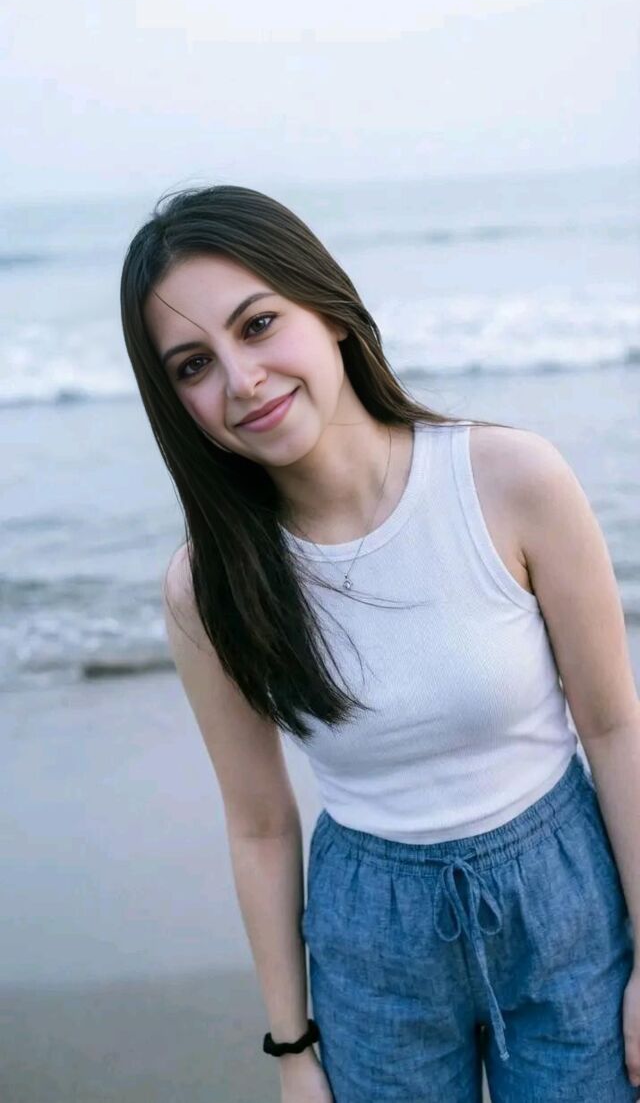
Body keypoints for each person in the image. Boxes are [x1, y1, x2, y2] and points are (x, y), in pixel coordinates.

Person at [120, 184, 640, 1102]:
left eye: (258, 324)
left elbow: (613, 726)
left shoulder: (511, 478)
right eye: (194, 365)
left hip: (564, 906)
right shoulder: (209, 588)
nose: (242, 380)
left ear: (329, 310)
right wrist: (293, 1052)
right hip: (371, 940)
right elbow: (260, 824)